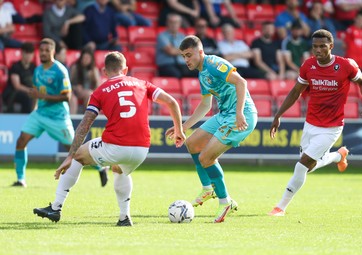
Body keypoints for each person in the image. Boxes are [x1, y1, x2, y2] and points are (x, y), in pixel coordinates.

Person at [33, 51, 186, 226]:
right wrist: (179, 130)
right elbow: (172, 102)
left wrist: (69, 155)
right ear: (125, 69)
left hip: (115, 146)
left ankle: (56, 207)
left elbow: (85, 124)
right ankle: (124, 217)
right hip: (142, 149)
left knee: (78, 157)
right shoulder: (142, 83)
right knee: (119, 169)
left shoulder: (100, 91)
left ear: (104, 72)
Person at [268, 29, 362, 217]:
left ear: (331, 46)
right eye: (315, 47)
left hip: (332, 127)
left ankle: (280, 207)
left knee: (302, 165)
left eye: (322, 46)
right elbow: (296, 92)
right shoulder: (308, 66)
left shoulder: (345, 65)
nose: (318, 50)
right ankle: (338, 156)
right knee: (308, 166)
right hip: (310, 124)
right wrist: (278, 115)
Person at [166, 35, 258, 223]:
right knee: (191, 143)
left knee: (206, 158)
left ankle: (225, 202)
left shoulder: (214, 63)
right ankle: (208, 188)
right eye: (183, 56)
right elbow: (205, 105)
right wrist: (181, 127)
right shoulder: (202, 73)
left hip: (242, 114)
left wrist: (239, 113)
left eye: (189, 55)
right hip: (224, 114)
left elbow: (241, 82)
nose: (186, 60)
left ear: (200, 52)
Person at [11, 38, 108, 188]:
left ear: (53, 52)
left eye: (46, 51)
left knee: (73, 150)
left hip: (58, 117)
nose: (43, 53)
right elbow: (38, 93)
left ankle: (100, 168)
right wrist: (34, 111)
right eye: (41, 50)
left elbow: (67, 96)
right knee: (21, 141)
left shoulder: (60, 71)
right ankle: (20, 179)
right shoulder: (37, 70)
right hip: (40, 114)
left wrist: (43, 97)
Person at [156, 13, 197, 78]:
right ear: (167, 23)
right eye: (171, 22)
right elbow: (171, 51)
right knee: (177, 74)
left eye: (176, 22)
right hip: (166, 65)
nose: (174, 25)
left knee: (197, 73)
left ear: (180, 24)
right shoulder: (161, 36)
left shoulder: (182, 36)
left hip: (182, 65)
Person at [2, 42, 36, 113]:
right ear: (22, 53)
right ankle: (25, 119)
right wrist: (30, 91)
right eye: (27, 54)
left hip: (29, 91)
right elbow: (17, 86)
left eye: (31, 54)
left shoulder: (33, 67)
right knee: (27, 98)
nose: (29, 57)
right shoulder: (15, 67)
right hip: (13, 93)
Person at [69, 47, 101, 112]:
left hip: (89, 92)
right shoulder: (75, 67)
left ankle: (87, 118)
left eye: (88, 58)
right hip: (74, 92)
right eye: (84, 58)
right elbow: (68, 82)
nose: (85, 60)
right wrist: (75, 87)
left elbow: (98, 86)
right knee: (73, 99)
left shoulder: (94, 70)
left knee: (89, 95)